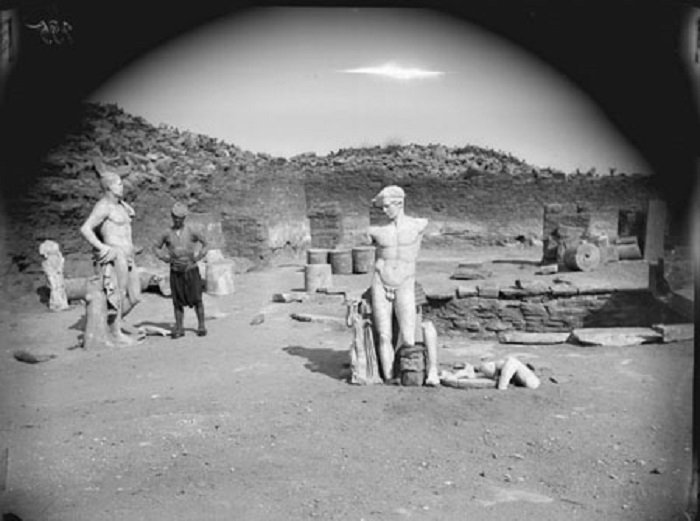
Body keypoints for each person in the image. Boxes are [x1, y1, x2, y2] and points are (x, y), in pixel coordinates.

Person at [367, 185, 438, 385]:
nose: (384, 210)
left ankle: (408, 371)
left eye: (387, 206)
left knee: (408, 337)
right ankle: (389, 377)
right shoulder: (377, 231)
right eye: (381, 207)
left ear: (400, 203)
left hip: (405, 281)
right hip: (381, 281)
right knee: (383, 335)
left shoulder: (418, 225)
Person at [80, 171, 141, 344]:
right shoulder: (103, 206)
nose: (122, 186)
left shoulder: (123, 206)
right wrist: (102, 247)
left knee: (135, 296)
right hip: (116, 255)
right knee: (119, 294)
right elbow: (85, 228)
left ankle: (115, 321)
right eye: (119, 183)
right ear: (109, 186)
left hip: (128, 255)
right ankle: (115, 331)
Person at [154, 202, 208, 338]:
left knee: (197, 299)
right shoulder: (167, 233)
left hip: (191, 269)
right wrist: (164, 257)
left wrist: (199, 256)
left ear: (184, 218)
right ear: (172, 216)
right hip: (176, 271)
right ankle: (179, 328)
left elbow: (206, 243)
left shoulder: (191, 230)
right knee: (177, 301)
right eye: (175, 217)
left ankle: (201, 326)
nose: (177, 220)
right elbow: (155, 247)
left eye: (180, 218)